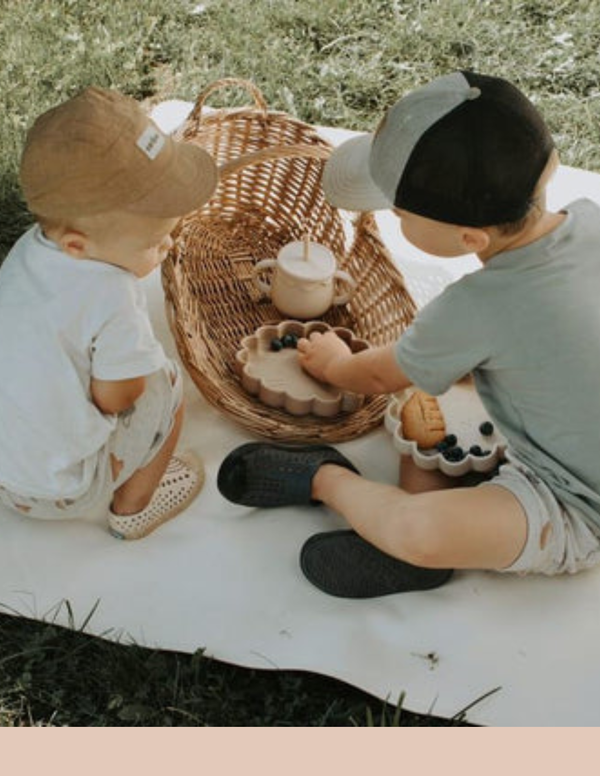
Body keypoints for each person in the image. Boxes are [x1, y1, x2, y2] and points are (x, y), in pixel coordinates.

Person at [217, 70, 600, 597]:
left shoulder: (474, 308)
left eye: (397, 213)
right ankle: (435, 496)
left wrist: (332, 364)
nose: (392, 219)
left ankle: (327, 481)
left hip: (576, 501)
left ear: (468, 238)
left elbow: (378, 373)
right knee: (428, 421)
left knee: (417, 531)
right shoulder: (589, 222)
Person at [0, 86, 218, 539]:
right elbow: (117, 398)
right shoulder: (112, 297)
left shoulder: (27, 253)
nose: (169, 246)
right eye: (154, 244)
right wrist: (124, 379)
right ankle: (134, 506)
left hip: (8, 472)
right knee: (167, 383)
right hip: (59, 489)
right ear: (79, 246)